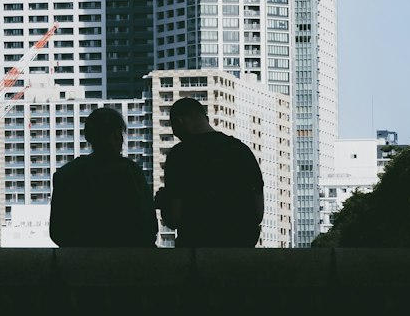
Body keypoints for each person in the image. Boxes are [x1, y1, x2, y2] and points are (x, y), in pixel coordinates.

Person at [156, 96, 264, 247]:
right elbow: (258, 212)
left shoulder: (180, 155)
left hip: (197, 248)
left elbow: (174, 217)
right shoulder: (240, 151)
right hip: (240, 247)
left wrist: (164, 202)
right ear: (204, 118)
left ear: (179, 122)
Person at [49, 107, 158, 247]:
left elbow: (58, 231)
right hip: (128, 260)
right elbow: (148, 225)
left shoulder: (66, 174)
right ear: (116, 135)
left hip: (80, 261)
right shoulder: (130, 171)